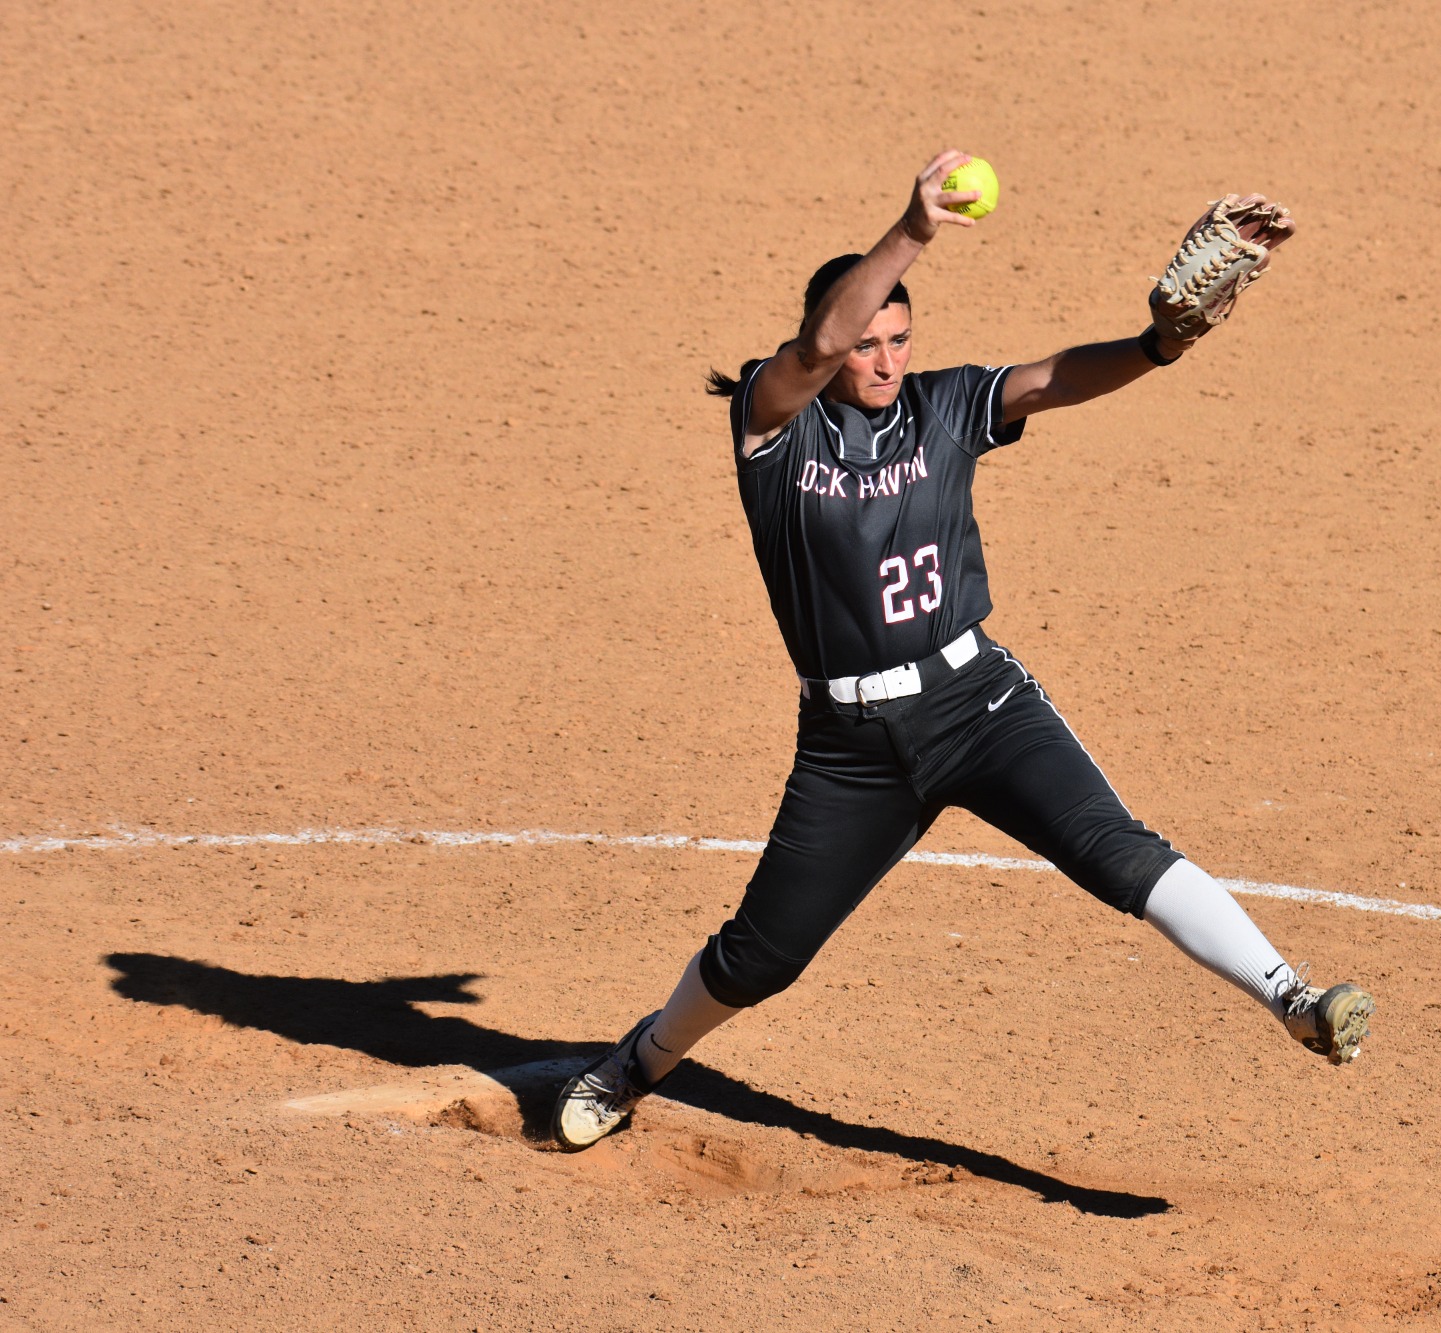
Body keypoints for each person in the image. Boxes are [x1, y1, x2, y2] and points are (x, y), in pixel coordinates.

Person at [552, 150, 1372, 1151]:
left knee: (1119, 853)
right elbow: (812, 344)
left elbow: (1051, 381)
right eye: (867, 342)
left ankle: (1292, 998)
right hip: (849, 747)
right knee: (763, 957)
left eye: (899, 338)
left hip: (979, 706)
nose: (885, 358)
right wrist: (910, 231)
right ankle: (637, 1061)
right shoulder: (774, 432)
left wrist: (1157, 345)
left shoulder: (942, 409)